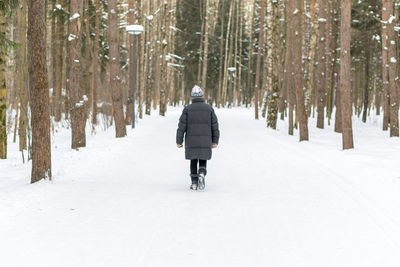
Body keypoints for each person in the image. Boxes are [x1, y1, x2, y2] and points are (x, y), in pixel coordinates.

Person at [176, 85, 220, 190]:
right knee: (203, 158)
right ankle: (202, 173)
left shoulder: (187, 109)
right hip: (205, 140)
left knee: (193, 160)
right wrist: (215, 140)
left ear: (192, 96)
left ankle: (194, 183)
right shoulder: (209, 109)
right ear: (202, 96)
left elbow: (181, 126)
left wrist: (179, 140)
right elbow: (215, 126)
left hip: (191, 140)